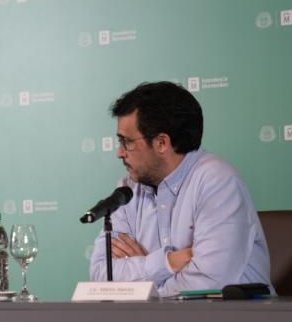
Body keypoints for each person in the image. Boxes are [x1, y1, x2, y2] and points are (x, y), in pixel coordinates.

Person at [89, 81, 271, 296]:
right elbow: (102, 274)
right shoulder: (127, 190)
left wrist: (141, 285)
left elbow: (208, 281)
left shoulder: (217, 181)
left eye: (126, 142)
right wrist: (167, 262)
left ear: (162, 143)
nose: (119, 152)